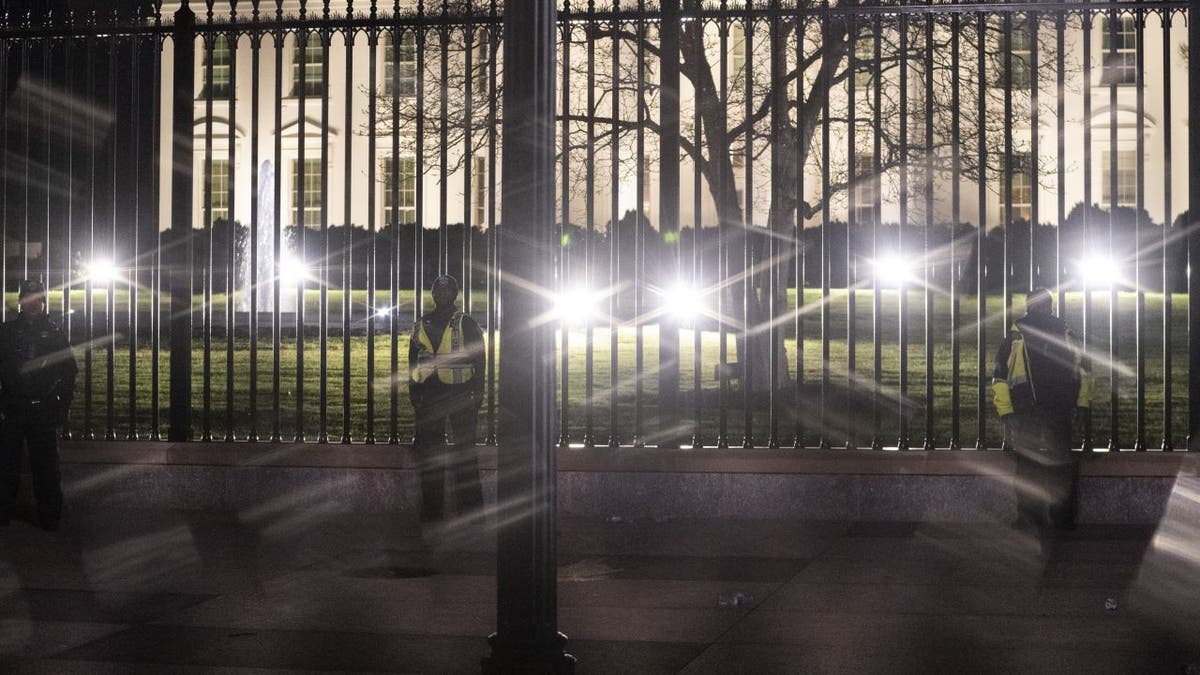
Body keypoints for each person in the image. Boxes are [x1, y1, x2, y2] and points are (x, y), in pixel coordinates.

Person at [992, 288, 1092, 531]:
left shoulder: (1016, 336)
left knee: (1028, 467)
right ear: (1050, 307)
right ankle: (1062, 519)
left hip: (1027, 408)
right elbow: (1085, 373)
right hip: (1058, 408)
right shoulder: (1066, 333)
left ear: (1028, 307)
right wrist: (1081, 405)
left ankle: (1029, 517)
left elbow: (1000, 378)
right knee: (1060, 467)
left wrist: (1006, 412)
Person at [408, 275, 486, 527]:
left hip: (461, 393)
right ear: (433, 295)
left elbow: (480, 360)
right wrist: (415, 393)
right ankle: (433, 513)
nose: (441, 295)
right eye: (437, 290)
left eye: (446, 291)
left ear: (455, 294)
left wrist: (479, 392)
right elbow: (413, 361)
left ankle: (471, 511)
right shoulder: (422, 323)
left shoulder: (466, 323)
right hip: (430, 395)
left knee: (465, 454)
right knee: (431, 456)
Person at [0, 279, 78, 530]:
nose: (34, 304)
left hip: (43, 407)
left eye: (38, 299)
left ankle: (49, 514)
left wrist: (61, 405)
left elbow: (68, 372)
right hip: (11, 406)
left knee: (46, 467)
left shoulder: (55, 334)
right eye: (29, 298)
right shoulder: (6, 332)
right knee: (6, 465)